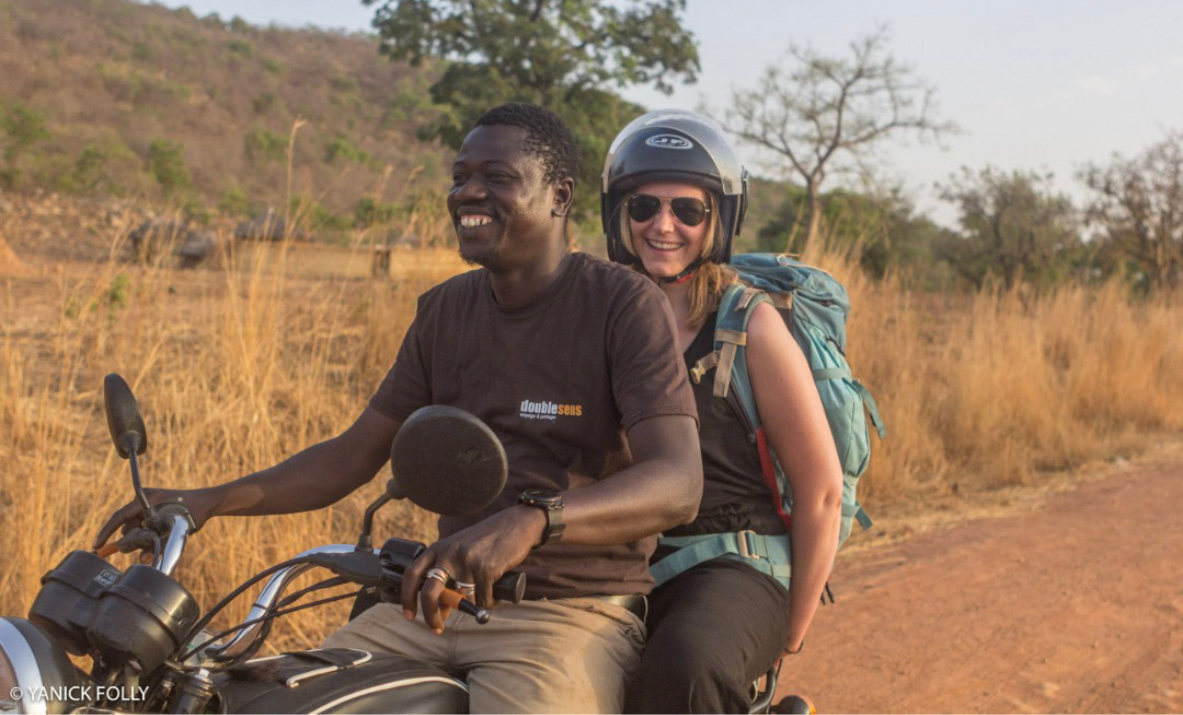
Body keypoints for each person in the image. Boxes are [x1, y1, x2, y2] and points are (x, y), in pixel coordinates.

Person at [95, 103, 704, 714]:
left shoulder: (623, 306)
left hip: (569, 618)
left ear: (559, 196)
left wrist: (532, 521)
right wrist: (205, 502)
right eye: (460, 175)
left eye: (497, 178)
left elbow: (677, 483)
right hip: (430, 608)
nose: (468, 191)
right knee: (265, 703)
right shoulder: (444, 312)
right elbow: (351, 455)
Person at [600, 110, 845, 714]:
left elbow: (820, 491)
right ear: (618, 214)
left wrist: (790, 630)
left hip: (734, 560)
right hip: (616, 555)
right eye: (643, 207)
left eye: (688, 210)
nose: (663, 225)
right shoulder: (594, 311)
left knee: (687, 665)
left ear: (719, 220)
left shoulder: (749, 323)